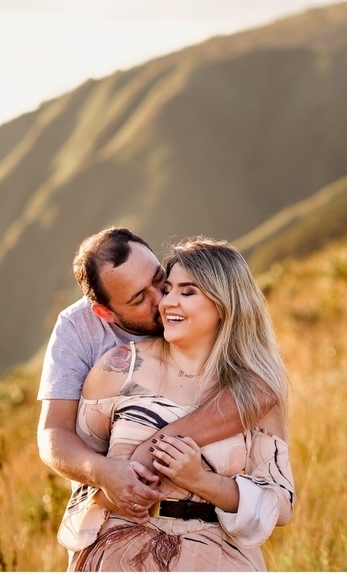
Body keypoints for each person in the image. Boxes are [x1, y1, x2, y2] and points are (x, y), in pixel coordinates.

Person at [58, 237, 295, 571]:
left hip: (215, 557)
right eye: (168, 289)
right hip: (119, 554)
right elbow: (82, 480)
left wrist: (200, 480)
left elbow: (282, 504)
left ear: (224, 302)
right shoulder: (119, 368)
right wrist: (113, 485)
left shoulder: (254, 393)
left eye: (187, 292)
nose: (166, 302)